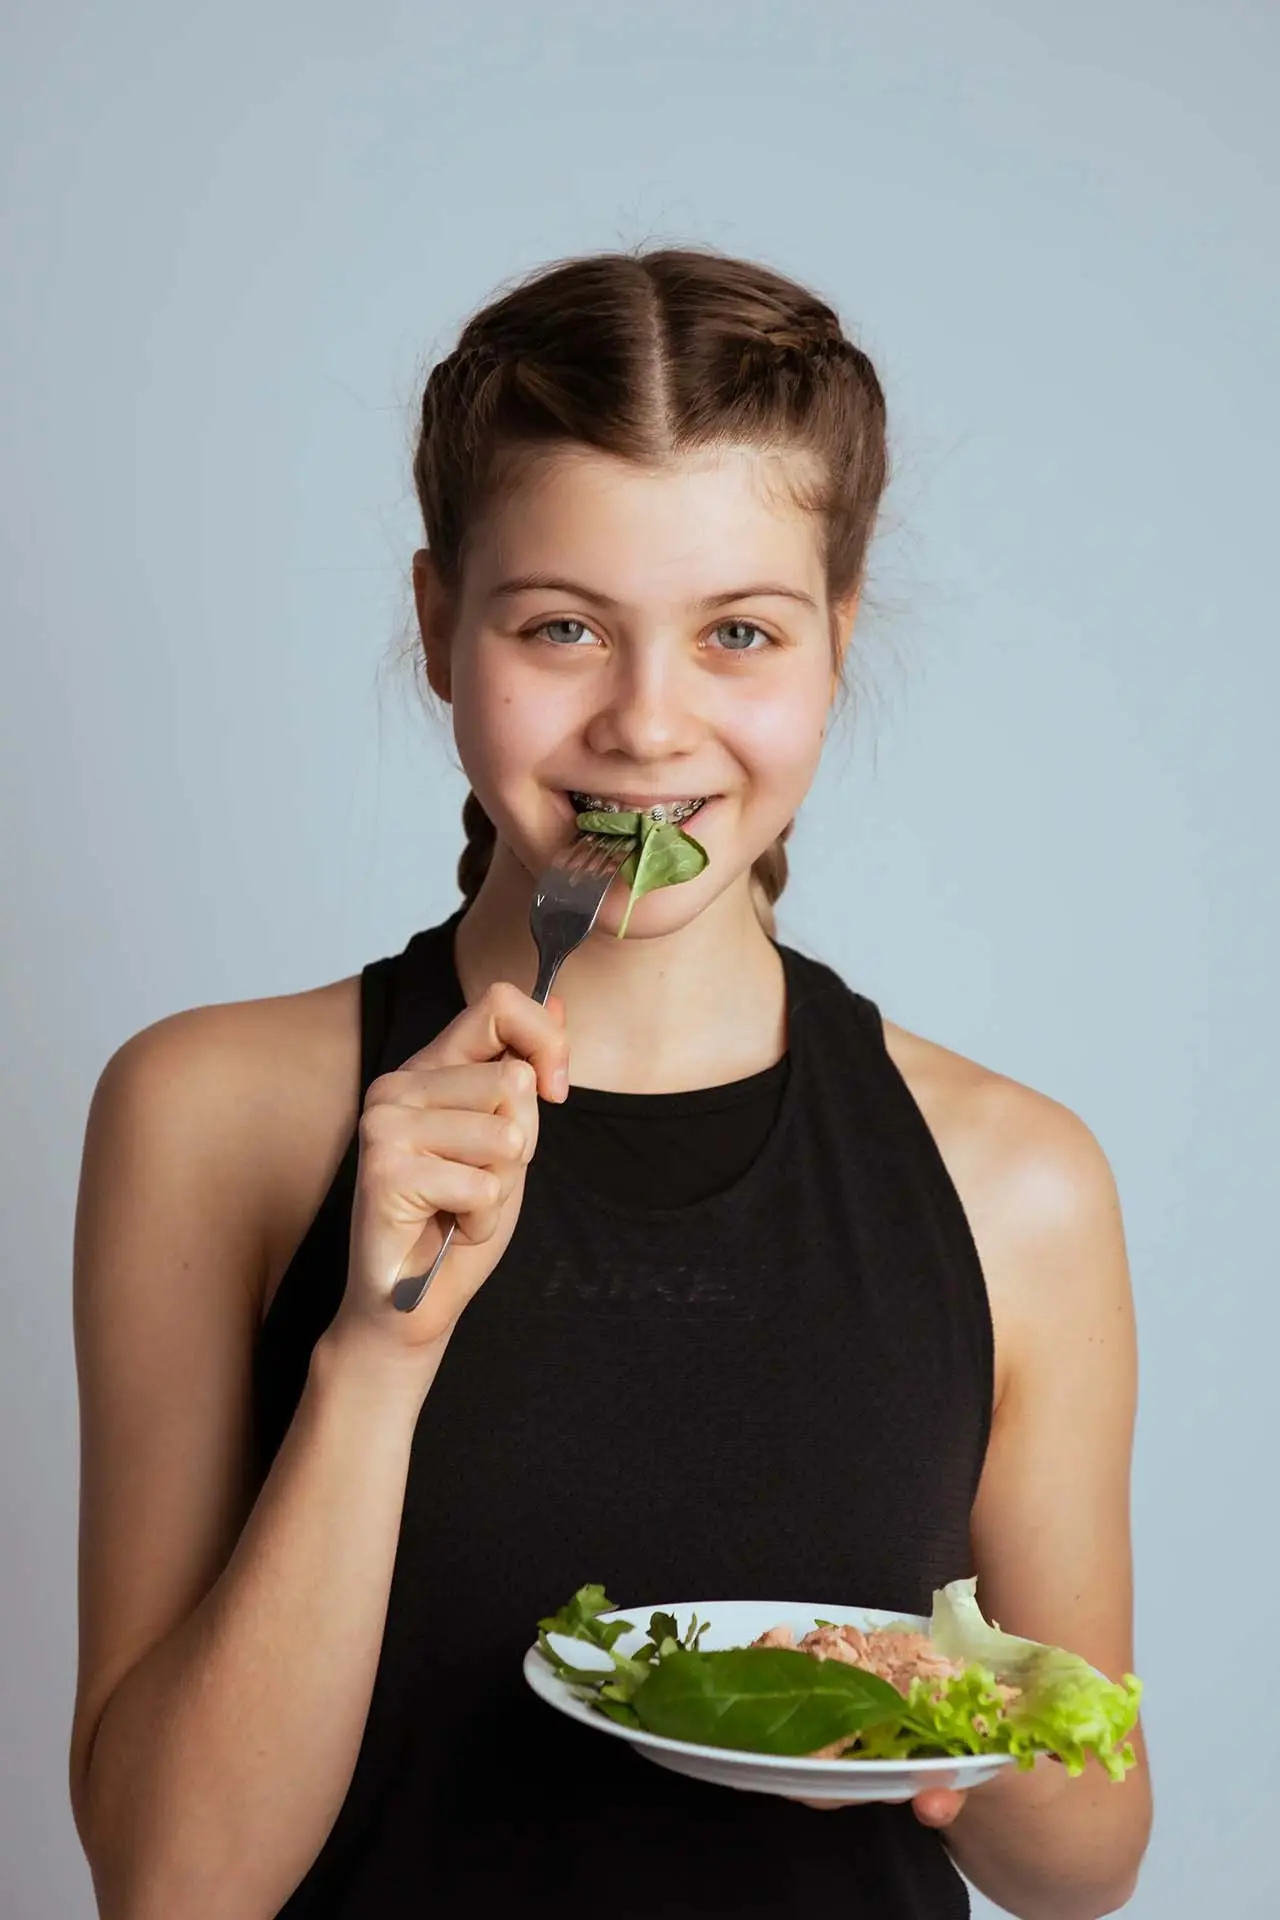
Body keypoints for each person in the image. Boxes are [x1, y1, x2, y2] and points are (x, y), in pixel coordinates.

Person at [69, 247, 1151, 1920]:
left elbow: (1086, 1868)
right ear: (439, 627)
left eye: (739, 632)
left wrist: (966, 1729)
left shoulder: (1017, 1178)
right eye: (563, 626)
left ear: (836, 644)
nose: (650, 727)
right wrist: (376, 1353)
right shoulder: (210, 1114)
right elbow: (168, 1886)